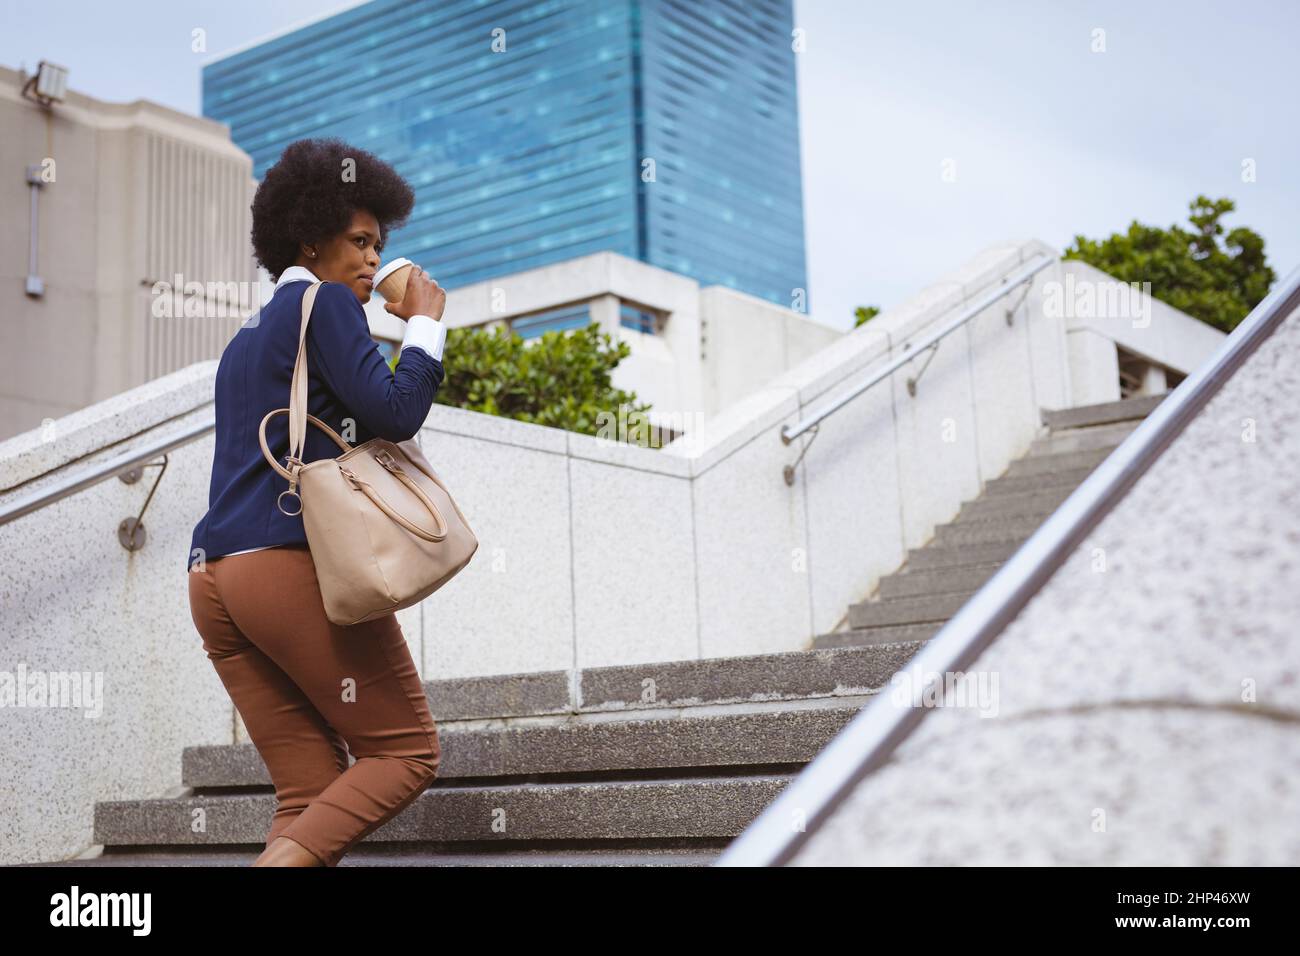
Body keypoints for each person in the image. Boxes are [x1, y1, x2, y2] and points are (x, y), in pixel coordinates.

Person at [187, 137, 448, 866]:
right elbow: (396, 411)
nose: (372, 261)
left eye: (380, 245)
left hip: (213, 579)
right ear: (310, 236)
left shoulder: (246, 338)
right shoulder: (327, 303)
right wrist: (425, 321)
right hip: (285, 565)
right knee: (403, 752)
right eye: (360, 241)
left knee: (306, 792)